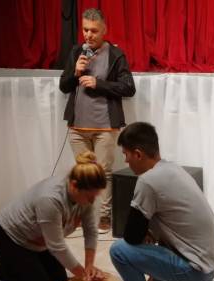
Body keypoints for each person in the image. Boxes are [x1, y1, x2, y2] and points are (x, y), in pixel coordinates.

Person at [108, 122, 214, 281]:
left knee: (119, 251)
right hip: (209, 265)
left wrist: (146, 244)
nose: (126, 161)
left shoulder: (148, 181)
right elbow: (170, 226)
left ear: (138, 154)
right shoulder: (172, 168)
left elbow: (131, 236)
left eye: (126, 154)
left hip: (195, 270)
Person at [0, 151, 107, 281]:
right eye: (90, 196)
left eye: (95, 196)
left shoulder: (85, 191)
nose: (93, 201)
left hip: (40, 242)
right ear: (74, 186)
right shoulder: (50, 199)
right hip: (9, 237)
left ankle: (20, 265)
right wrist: (83, 275)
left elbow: (91, 231)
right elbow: (57, 246)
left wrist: (89, 266)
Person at [59, 8, 136, 234]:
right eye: (85, 30)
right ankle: (84, 214)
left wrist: (98, 83)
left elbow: (128, 87)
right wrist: (75, 72)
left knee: (103, 172)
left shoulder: (115, 55)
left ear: (104, 30)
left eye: (94, 30)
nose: (88, 35)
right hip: (77, 127)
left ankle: (103, 216)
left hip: (105, 125)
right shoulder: (76, 52)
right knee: (83, 173)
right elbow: (64, 86)